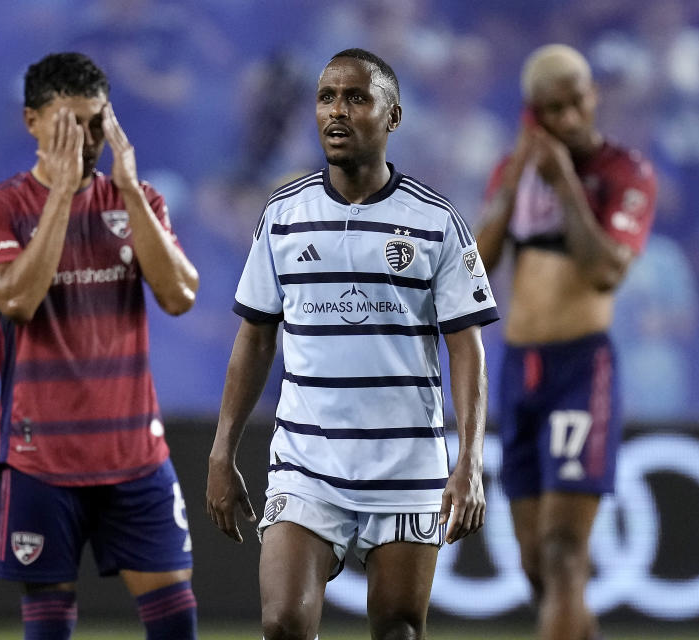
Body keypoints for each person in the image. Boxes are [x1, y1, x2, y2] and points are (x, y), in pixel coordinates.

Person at [207, 48, 499, 640]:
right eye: (326, 97)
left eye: (357, 98)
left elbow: (465, 346)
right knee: (284, 625)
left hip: (407, 465)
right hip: (307, 461)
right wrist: (221, 452)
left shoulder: (436, 222)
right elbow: (255, 338)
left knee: (398, 632)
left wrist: (468, 458)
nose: (337, 111)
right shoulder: (284, 215)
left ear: (392, 117)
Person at [0, 52, 200, 640]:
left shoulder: (135, 199)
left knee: (177, 628)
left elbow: (180, 295)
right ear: (31, 121)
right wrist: (62, 197)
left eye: (96, 122)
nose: (86, 138)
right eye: (69, 123)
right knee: (48, 632)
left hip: (136, 457)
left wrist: (128, 190)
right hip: (42, 458)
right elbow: (16, 300)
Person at [474, 44, 657, 640]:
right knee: (536, 563)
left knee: (563, 550)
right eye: (554, 110)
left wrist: (565, 184)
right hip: (518, 367)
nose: (571, 118)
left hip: (581, 366)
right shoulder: (514, 169)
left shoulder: (623, 171)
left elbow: (606, 271)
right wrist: (521, 174)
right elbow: (481, 263)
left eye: (577, 101)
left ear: (592, 93)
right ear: (535, 114)